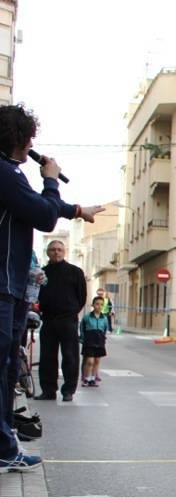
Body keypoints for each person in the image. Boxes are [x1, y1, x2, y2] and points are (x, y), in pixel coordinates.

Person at [1, 104, 100, 470]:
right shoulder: (7, 173)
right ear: (22, 140)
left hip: (11, 288)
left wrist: (74, 209)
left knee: (9, 367)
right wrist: (52, 178)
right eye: (30, 139)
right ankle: (4, 447)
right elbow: (43, 213)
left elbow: (40, 207)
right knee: (3, 368)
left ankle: (5, 444)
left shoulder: (9, 174)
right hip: (3, 287)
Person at [36, 240, 87, 401]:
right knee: (47, 357)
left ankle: (68, 391)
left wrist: (71, 312)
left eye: (59, 249)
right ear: (47, 252)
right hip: (49, 320)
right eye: (52, 250)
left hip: (68, 321)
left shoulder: (75, 272)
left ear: (64, 252)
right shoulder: (42, 273)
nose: (56, 252)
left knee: (70, 356)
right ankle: (48, 391)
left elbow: (82, 297)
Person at [79, 296, 111, 387]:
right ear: (93, 305)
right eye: (97, 304)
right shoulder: (87, 317)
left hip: (99, 341)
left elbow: (105, 329)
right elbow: (82, 329)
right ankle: (86, 378)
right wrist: (82, 338)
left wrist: (103, 338)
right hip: (89, 341)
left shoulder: (104, 318)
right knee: (90, 361)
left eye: (101, 304)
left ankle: (93, 378)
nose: (99, 306)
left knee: (97, 361)